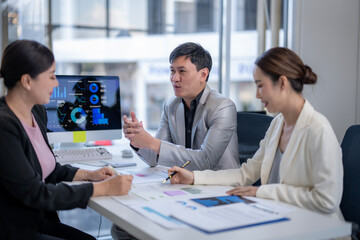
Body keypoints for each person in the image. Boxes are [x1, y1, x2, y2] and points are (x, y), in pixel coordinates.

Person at [168, 47, 345, 220]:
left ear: (282, 83)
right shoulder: (278, 123)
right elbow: (246, 174)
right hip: (280, 219)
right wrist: (194, 177)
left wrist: (262, 192)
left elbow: (327, 200)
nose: (257, 95)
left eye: (261, 86)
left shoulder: (318, 130)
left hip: (316, 229)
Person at [0, 39, 133, 240]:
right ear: (27, 81)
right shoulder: (4, 126)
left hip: (39, 220)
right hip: (15, 228)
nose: (56, 83)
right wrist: (101, 188)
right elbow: (34, 192)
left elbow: (47, 168)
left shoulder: (36, 111)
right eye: (51, 76)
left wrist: (89, 175)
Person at [123, 42, 240, 171]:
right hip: (187, 182)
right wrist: (138, 139)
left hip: (221, 185)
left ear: (203, 75)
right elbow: (153, 158)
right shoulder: (170, 105)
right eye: (172, 71)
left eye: (182, 71)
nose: (175, 78)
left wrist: (152, 143)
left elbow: (206, 161)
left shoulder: (223, 107)